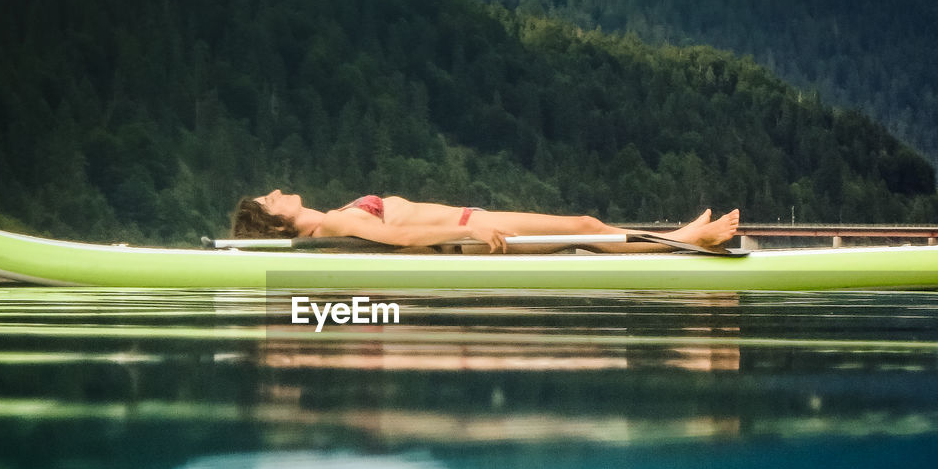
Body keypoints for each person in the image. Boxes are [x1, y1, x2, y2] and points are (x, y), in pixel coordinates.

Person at [231, 190, 740, 253]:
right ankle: (687, 241)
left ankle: (682, 238)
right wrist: (467, 229)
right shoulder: (331, 228)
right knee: (585, 231)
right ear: (277, 224)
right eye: (270, 200)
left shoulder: (329, 221)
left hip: (473, 227)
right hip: (474, 231)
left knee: (585, 229)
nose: (277, 192)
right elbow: (399, 235)